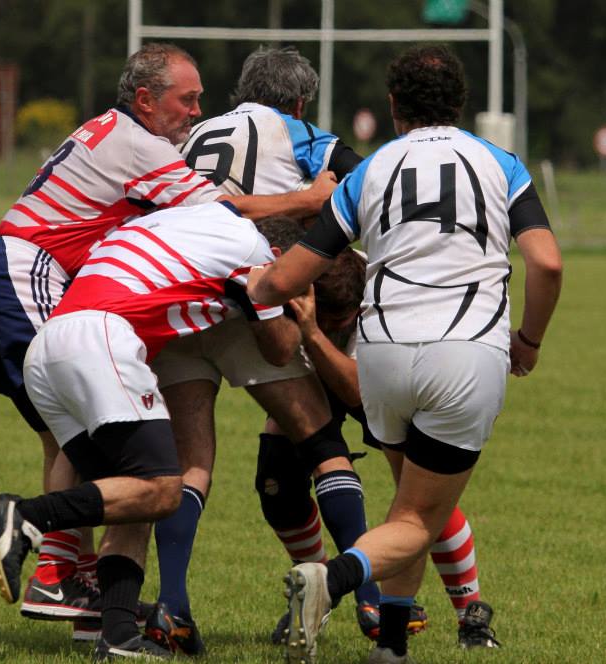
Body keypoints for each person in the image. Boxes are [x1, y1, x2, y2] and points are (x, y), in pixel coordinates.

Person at [0, 42, 333, 639]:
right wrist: (309, 200)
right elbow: (225, 207)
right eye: (188, 99)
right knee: (115, 453)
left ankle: (94, 605)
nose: (197, 110)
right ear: (146, 99)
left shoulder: (109, 132)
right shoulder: (140, 144)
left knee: (73, 438)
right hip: (24, 275)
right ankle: (54, 565)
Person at [247, 45, 563, 664]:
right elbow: (546, 261)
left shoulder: (373, 169)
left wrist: (253, 285)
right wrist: (528, 341)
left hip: (382, 355)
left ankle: (390, 647)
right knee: (419, 519)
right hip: (464, 352)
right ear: (460, 104)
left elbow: (294, 271)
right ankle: (331, 580)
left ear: (394, 106)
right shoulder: (499, 162)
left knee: (404, 506)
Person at [0, 200, 301, 660]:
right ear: (276, 253)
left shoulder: (179, 221)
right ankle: (26, 516)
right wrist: (299, 310)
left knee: (129, 499)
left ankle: (117, 636)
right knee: (165, 490)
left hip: (50, 345)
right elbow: (280, 349)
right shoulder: (254, 250)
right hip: (101, 340)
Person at [138, 47, 377, 653]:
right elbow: (366, 178)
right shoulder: (291, 128)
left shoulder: (187, 134)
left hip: (178, 296)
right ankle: (370, 598)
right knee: (320, 438)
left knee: (191, 461)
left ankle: (174, 609)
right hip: (252, 291)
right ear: (298, 103)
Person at [265, 241, 499, 649]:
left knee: (425, 496)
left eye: (340, 318)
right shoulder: (303, 274)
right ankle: (318, 592)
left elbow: (357, 391)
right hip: (305, 376)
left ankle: (470, 618)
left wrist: (314, 332)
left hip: (375, 374)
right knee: (276, 484)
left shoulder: (379, 299)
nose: (335, 322)